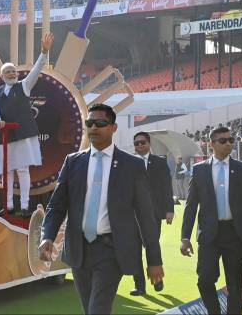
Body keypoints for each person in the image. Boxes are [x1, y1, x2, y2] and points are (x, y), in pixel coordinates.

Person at [39, 103, 164, 315]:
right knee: (90, 310)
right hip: (78, 249)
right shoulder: (73, 162)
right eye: (90, 123)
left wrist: (154, 260)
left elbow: (145, 216)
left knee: (98, 310)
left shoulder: (132, 166)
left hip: (111, 251)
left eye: (101, 123)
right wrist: (47, 236)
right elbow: (57, 205)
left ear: (113, 127)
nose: (94, 128)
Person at [181, 126, 242, 315]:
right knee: (205, 280)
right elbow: (191, 205)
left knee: (234, 284)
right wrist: (185, 237)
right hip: (209, 234)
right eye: (223, 140)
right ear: (211, 144)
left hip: (236, 234)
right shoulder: (199, 170)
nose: (228, 144)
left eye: (230, 140)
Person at [0, 32, 53, 218]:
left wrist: (43, 52)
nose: (12, 74)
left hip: (23, 133)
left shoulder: (24, 85)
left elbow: (36, 69)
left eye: (14, 71)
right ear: (2, 75)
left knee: (23, 169)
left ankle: (25, 206)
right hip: (3, 135)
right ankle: (8, 205)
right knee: (7, 170)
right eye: (8, 72)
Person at [130, 131, 173, 296]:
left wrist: (169, 209)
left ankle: (157, 279)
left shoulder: (160, 162)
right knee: (135, 250)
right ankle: (139, 286)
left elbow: (166, 187)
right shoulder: (129, 163)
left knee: (152, 246)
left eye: (142, 142)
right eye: (136, 143)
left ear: (149, 144)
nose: (140, 145)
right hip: (132, 214)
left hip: (153, 214)